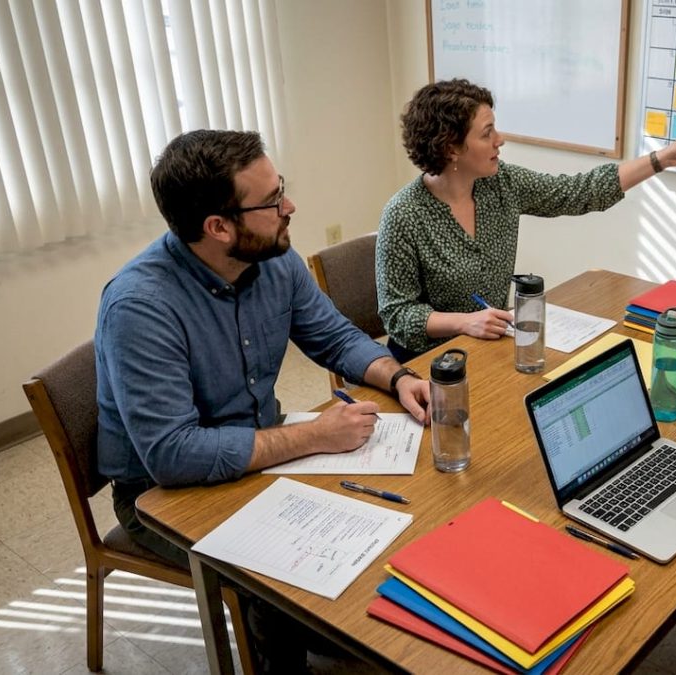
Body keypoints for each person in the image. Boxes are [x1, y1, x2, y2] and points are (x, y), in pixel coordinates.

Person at [95, 129, 430, 673]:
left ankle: (331, 641)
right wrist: (313, 436)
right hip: (162, 498)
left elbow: (336, 337)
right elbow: (173, 455)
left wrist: (398, 378)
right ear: (219, 227)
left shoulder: (274, 259)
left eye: (283, 189)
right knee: (276, 579)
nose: (289, 206)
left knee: (390, 519)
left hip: (259, 461)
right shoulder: (140, 307)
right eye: (273, 200)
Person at [377, 78, 676, 361]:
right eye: (487, 133)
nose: (500, 139)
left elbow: (578, 192)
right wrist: (463, 322)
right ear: (451, 148)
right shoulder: (404, 214)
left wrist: (661, 160)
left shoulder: (501, 184)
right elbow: (398, 315)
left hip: (489, 348)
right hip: (427, 364)